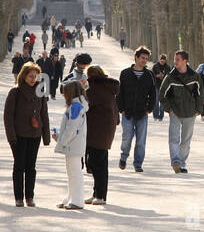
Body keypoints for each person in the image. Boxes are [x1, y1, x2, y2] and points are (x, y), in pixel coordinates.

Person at [4, 61, 50, 207]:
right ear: (23, 76)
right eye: (30, 76)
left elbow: (44, 114)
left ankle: (29, 196)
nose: (33, 79)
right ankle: (19, 197)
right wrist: (11, 137)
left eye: (35, 76)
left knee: (31, 166)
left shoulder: (40, 93)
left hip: (35, 134)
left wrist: (46, 136)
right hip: (19, 135)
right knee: (19, 166)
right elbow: (8, 116)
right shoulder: (15, 92)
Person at [158, 50, 204, 173]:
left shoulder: (195, 76)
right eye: (174, 59)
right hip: (175, 113)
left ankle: (182, 163)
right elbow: (162, 95)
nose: (175, 62)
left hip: (190, 113)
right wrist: (169, 109)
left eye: (177, 59)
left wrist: (198, 110)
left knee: (185, 141)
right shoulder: (170, 77)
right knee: (173, 138)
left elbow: (201, 94)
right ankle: (175, 161)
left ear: (185, 61)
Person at [84, 64, 120, 204]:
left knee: (97, 164)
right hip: (105, 130)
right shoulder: (108, 87)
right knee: (100, 163)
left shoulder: (95, 88)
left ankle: (100, 196)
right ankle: (97, 193)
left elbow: (85, 104)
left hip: (96, 131)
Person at [117, 46, 155, 171]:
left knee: (140, 141)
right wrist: (120, 108)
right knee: (127, 136)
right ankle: (123, 157)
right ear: (136, 58)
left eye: (146, 59)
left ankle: (138, 163)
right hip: (127, 112)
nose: (144, 60)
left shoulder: (149, 75)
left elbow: (153, 93)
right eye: (142, 58)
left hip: (142, 113)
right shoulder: (125, 73)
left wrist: (149, 108)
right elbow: (119, 92)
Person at [52, 80, 88, 210]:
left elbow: (71, 128)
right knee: (72, 173)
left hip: (73, 144)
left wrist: (61, 141)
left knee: (74, 173)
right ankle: (71, 197)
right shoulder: (78, 106)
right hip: (73, 144)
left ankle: (77, 200)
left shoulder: (75, 107)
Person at [151, 53, 171, 121]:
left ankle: (161, 116)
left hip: (164, 86)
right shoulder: (155, 66)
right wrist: (156, 76)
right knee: (156, 101)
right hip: (156, 85)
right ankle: (155, 115)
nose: (162, 61)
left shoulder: (168, 67)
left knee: (162, 101)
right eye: (161, 60)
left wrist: (164, 76)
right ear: (159, 60)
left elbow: (169, 76)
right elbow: (151, 75)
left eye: (163, 60)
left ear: (165, 61)